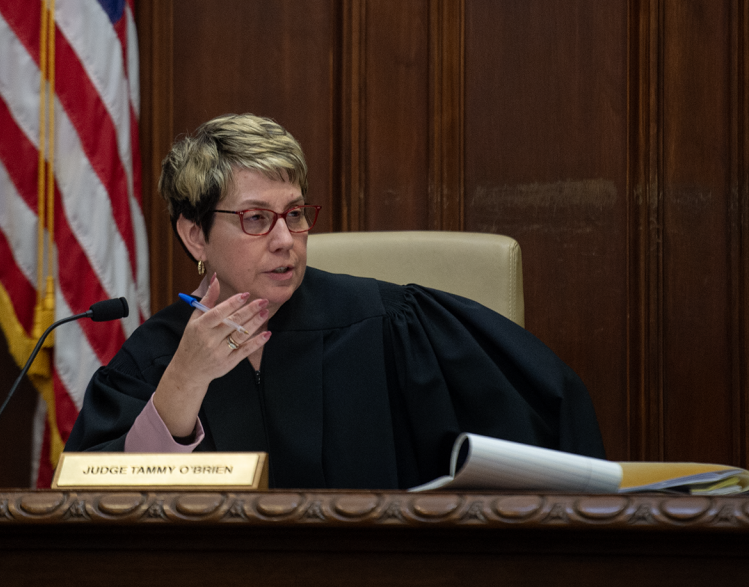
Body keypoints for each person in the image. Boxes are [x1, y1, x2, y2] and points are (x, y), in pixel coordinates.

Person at [64, 113, 606, 489]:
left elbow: (544, 417)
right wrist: (181, 388)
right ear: (195, 236)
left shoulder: (390, 324)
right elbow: (98, 509)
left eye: (295, 214)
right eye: (256, 219)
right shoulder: (154, 360)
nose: (285, 239)